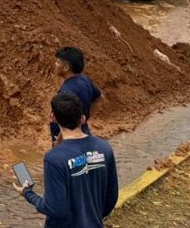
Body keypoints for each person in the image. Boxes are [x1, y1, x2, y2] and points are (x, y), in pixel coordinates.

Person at [15, 92, 118, 227]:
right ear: (82, 118)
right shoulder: (104, 148)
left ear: (53, 117)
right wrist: (92, 218)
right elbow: (111, 197)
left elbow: (53, 208)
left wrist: (27, 193)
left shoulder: (54, 158)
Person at [50, 46, 103, 144]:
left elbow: (66, 125)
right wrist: (86, 118)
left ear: (66, 68)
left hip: (68, 140)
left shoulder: (66, 92)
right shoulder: (84, 80)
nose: (55, 65)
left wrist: (58, 142)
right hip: (82, 131)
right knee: (84, 157)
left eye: (58, 62)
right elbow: (99, 99)